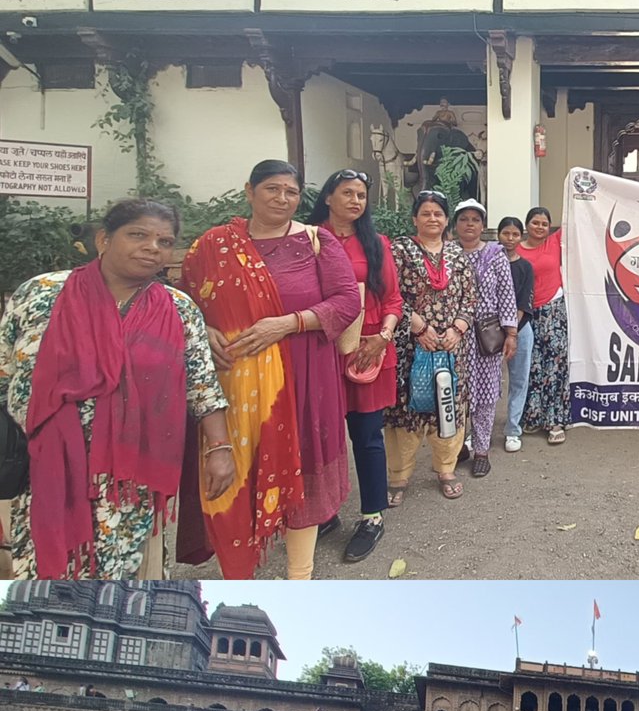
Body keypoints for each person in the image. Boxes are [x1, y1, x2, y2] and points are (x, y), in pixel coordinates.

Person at [0, 198, 233, 579]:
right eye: (138, 235)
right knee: (46, 572)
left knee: (123, 576)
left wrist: (220, 450)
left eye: (164, 241)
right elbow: (6, 370)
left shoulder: (178, 309)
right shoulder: (39, 294)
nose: (152, 248)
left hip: (130, 478)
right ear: (103, 239)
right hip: (44, 468)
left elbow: (202, 385)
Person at [180, 160, 360, 580]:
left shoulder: (316, 241)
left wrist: (287, 324)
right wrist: (203, 329)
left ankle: (300, 575)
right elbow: (185, 301)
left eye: (291, 192)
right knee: (233, 470)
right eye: (272, 189)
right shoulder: (214, 246)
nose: (282, 199)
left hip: (301, 379)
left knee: (301, 471)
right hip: (233, 382)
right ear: (250, 191)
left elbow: (346, 301)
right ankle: (238, 573)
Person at [309, 168, 404, 564]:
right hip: (320, 349)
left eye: (361, 195)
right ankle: (324, 512)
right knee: (320, 437)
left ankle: (372, 516)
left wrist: (382, 337)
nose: (355, 201)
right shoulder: (308, 239)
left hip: (369, 350)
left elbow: (394, 300)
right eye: (347, 193)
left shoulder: (376, 244)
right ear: (328, 197)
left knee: (367, 437)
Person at [384, 190, 477, 503]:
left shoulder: (457, 254)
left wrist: (457, 329)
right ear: (415, 218)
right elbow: (389, 293)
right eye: (426, 213)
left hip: (451, 347)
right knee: (406, 409)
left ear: (446, 219)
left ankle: (446, 469)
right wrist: (419, 327)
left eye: (438, 214)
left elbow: (470, 298)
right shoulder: (400, 250)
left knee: (447, 405)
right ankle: (399, 475)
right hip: (411, 345)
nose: (432, 219)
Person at [453, 200, 518, 477]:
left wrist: (511, 333)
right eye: (464, 219)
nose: (469, 224)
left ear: (483, 225)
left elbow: (506, 294)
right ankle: (456, 448)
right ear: (455, 224)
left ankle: (481, 451)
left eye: (475, 219)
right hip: (454, 336)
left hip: (486, 336)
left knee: (486, 395)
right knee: (455, 394)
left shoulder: (495, 255)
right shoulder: (447, 253)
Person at [516, 207, 569, 444]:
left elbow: (575, 215)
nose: (540, 227)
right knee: (531, 365)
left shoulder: (555, 242)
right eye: (535, 222)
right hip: (524, 313)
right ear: (527, 225)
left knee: (555, 364)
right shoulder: (514, 249)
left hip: (553, 310)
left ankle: (555, 420)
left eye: (544, 224)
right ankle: (533, 415)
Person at [498, 216, 535, 453]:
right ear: (498, 235)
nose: (510, 239)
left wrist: (512, 330)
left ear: (521, 237)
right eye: (506, 233)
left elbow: (523, 302)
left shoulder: (525, 267)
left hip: (520, 329)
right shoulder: (489, 263)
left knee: (519, 380)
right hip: (490, 331)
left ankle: (513, 429)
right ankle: (477, 431)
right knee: (487, 382)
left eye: (515, 234)